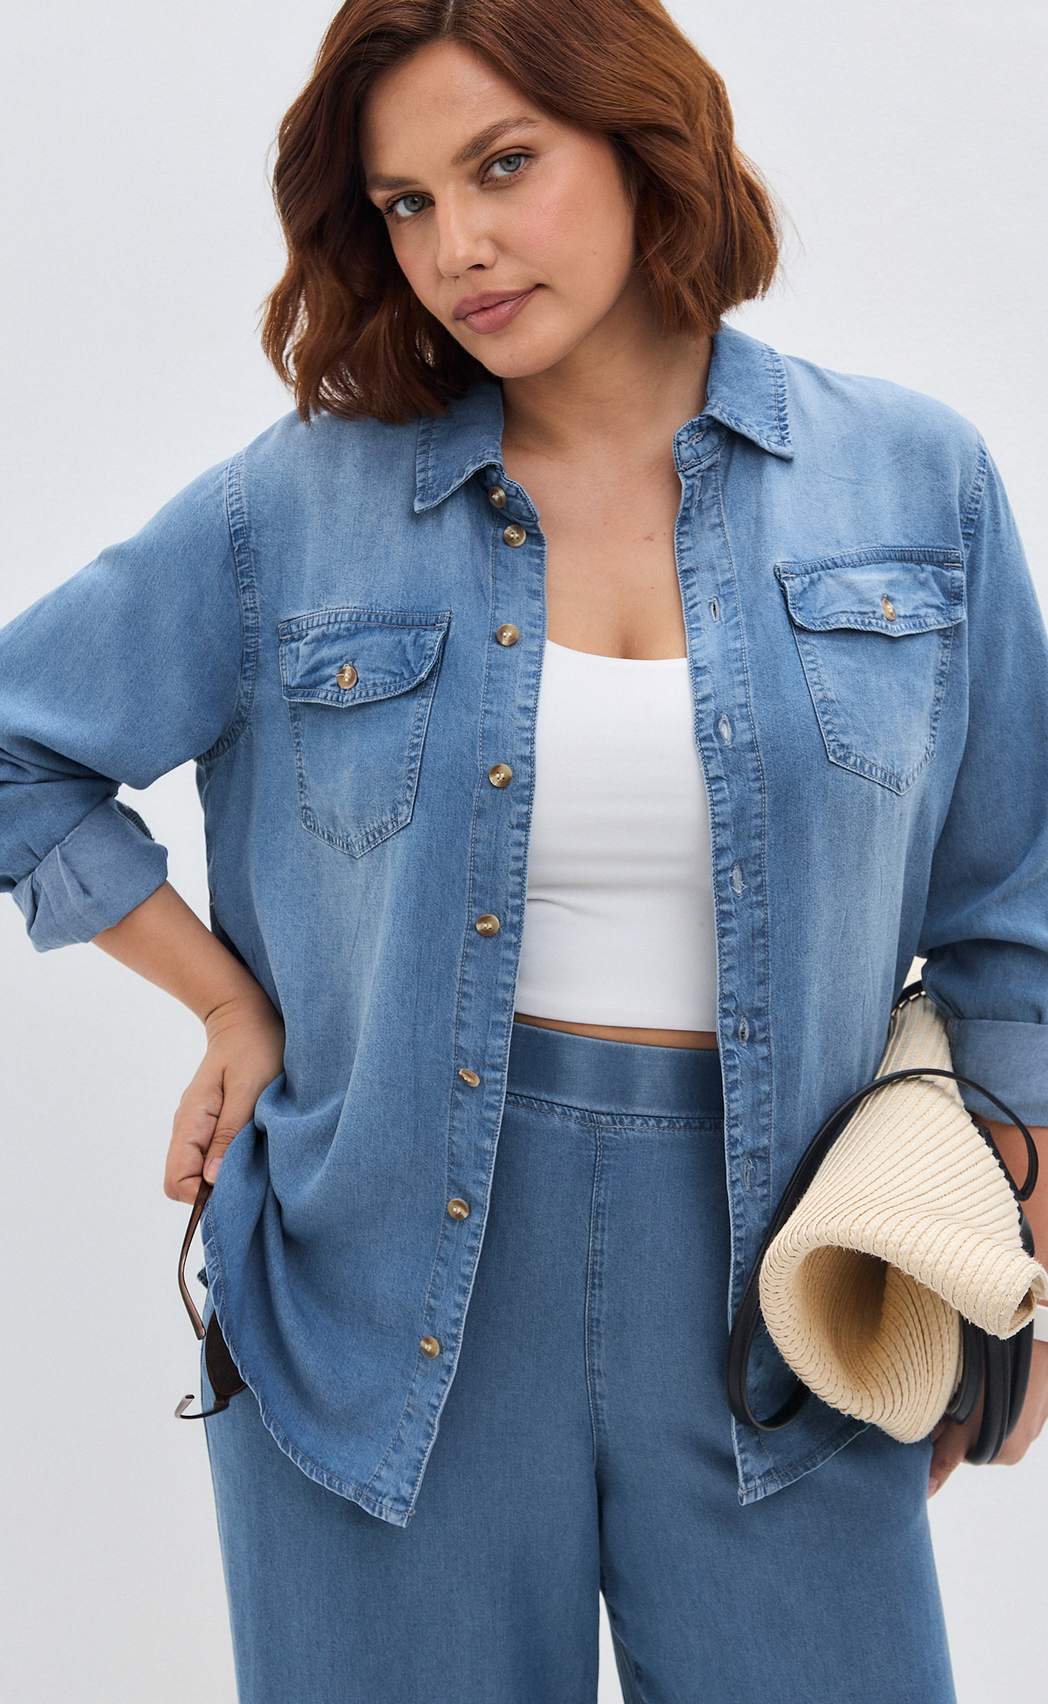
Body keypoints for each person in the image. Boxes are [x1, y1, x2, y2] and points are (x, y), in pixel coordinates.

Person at [3, 3, 1046, 1699]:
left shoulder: (912, 484)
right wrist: (227, 1005)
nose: (457, 248)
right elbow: (20, 744)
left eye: (503, 167)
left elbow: (1017, 923)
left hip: (797, 1295)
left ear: (644, 143)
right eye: (407, 203)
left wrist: (1014, 1271)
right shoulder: (298, 510)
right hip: (376, 1307)